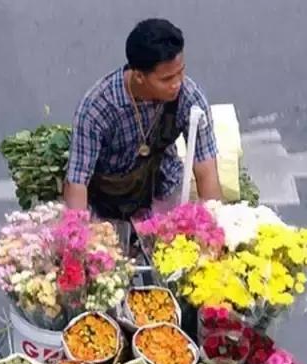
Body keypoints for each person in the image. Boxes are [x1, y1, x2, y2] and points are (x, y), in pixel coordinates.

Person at [63, 18, 223, 221]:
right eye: (166, 79)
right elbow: (77, 181)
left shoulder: (191, 99)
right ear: (139, 76)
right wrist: (78, 238)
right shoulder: (97, 108)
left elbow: (205, 169)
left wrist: (214, 230)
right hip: (106, 197)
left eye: (180, 72)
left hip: (162, 187)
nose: (177, 84)